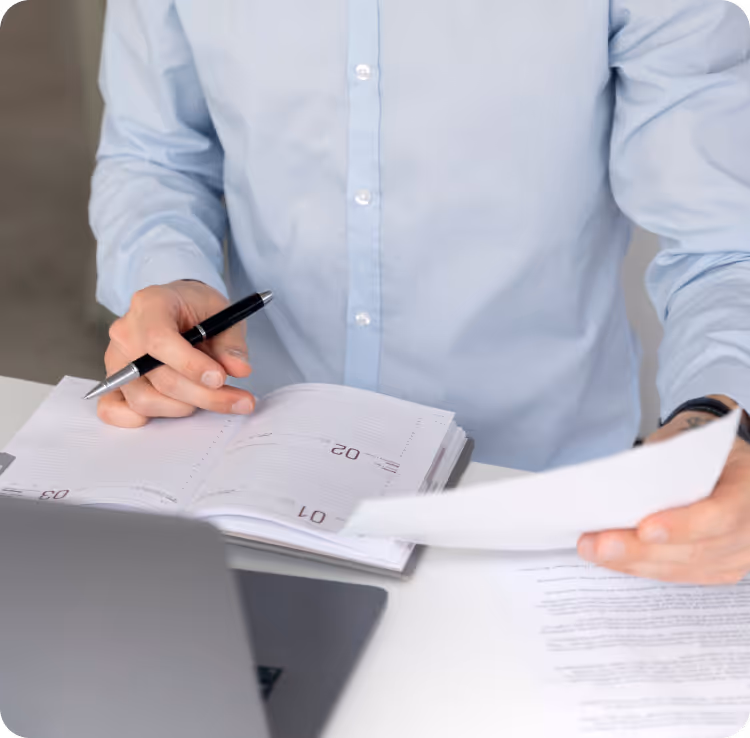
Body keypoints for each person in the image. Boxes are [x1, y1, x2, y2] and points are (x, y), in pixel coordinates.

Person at [90, 0, 750, 585]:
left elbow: (725, 240)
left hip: (538, 505)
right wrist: (169, 273)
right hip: (249, 475)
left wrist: (726, 422)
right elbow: (155, 155)